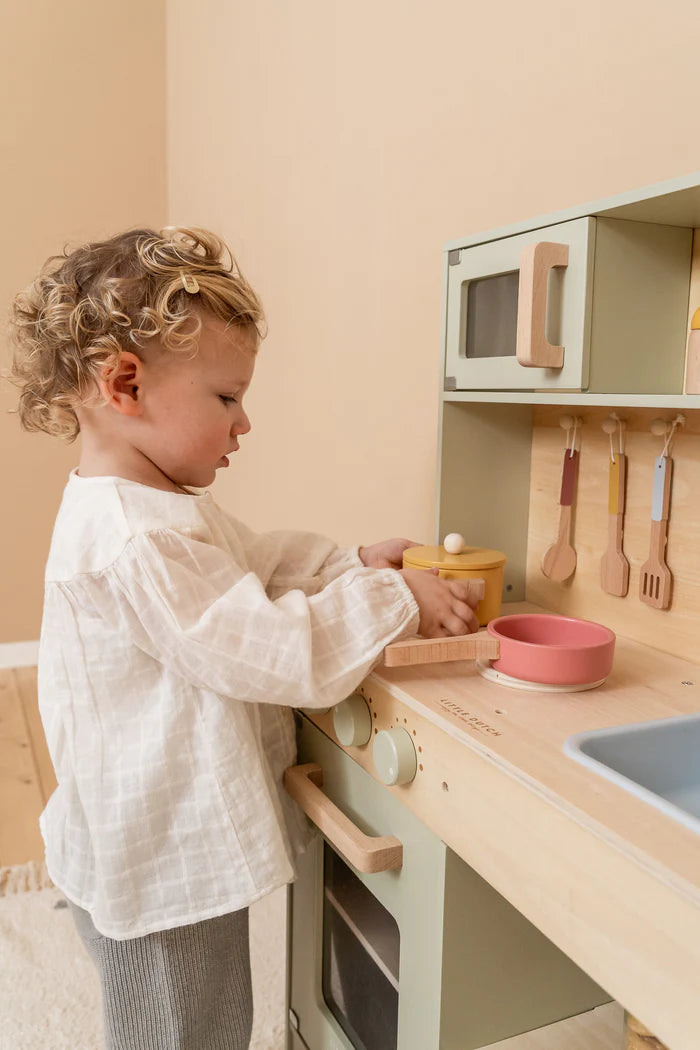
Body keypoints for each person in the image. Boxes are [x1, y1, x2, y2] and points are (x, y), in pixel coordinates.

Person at [9, 226, 479, 1050]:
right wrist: (392, 598)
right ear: (125, 384)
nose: (244, 421)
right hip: (156, 863)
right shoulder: (134, 537)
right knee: (188, 1031)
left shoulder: (155, 508)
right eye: (226, 398)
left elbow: (252, 566)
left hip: (143, 841)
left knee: (203, 1019)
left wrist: (348, 565)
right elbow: (273, 651)